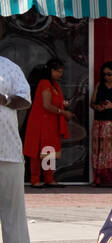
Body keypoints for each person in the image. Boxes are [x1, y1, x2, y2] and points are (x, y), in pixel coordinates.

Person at [0, 54, 36, 243]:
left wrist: (3, 99)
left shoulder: (9, 67)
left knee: (14, 210)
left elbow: (25, 100)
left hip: (9, 149)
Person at [22, 60, 72, 188]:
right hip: (40, 122)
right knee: (38, 152)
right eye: (57, 71)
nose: (59, 74)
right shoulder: (44, 83)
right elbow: (46, 105)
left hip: (50, 122)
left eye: (61, 72)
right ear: (50, 70)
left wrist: (63, 104)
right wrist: (63, 112)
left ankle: (49, 179)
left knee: (49, 151)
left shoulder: (54, 84)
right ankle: (35, 180)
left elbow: (53, 102)